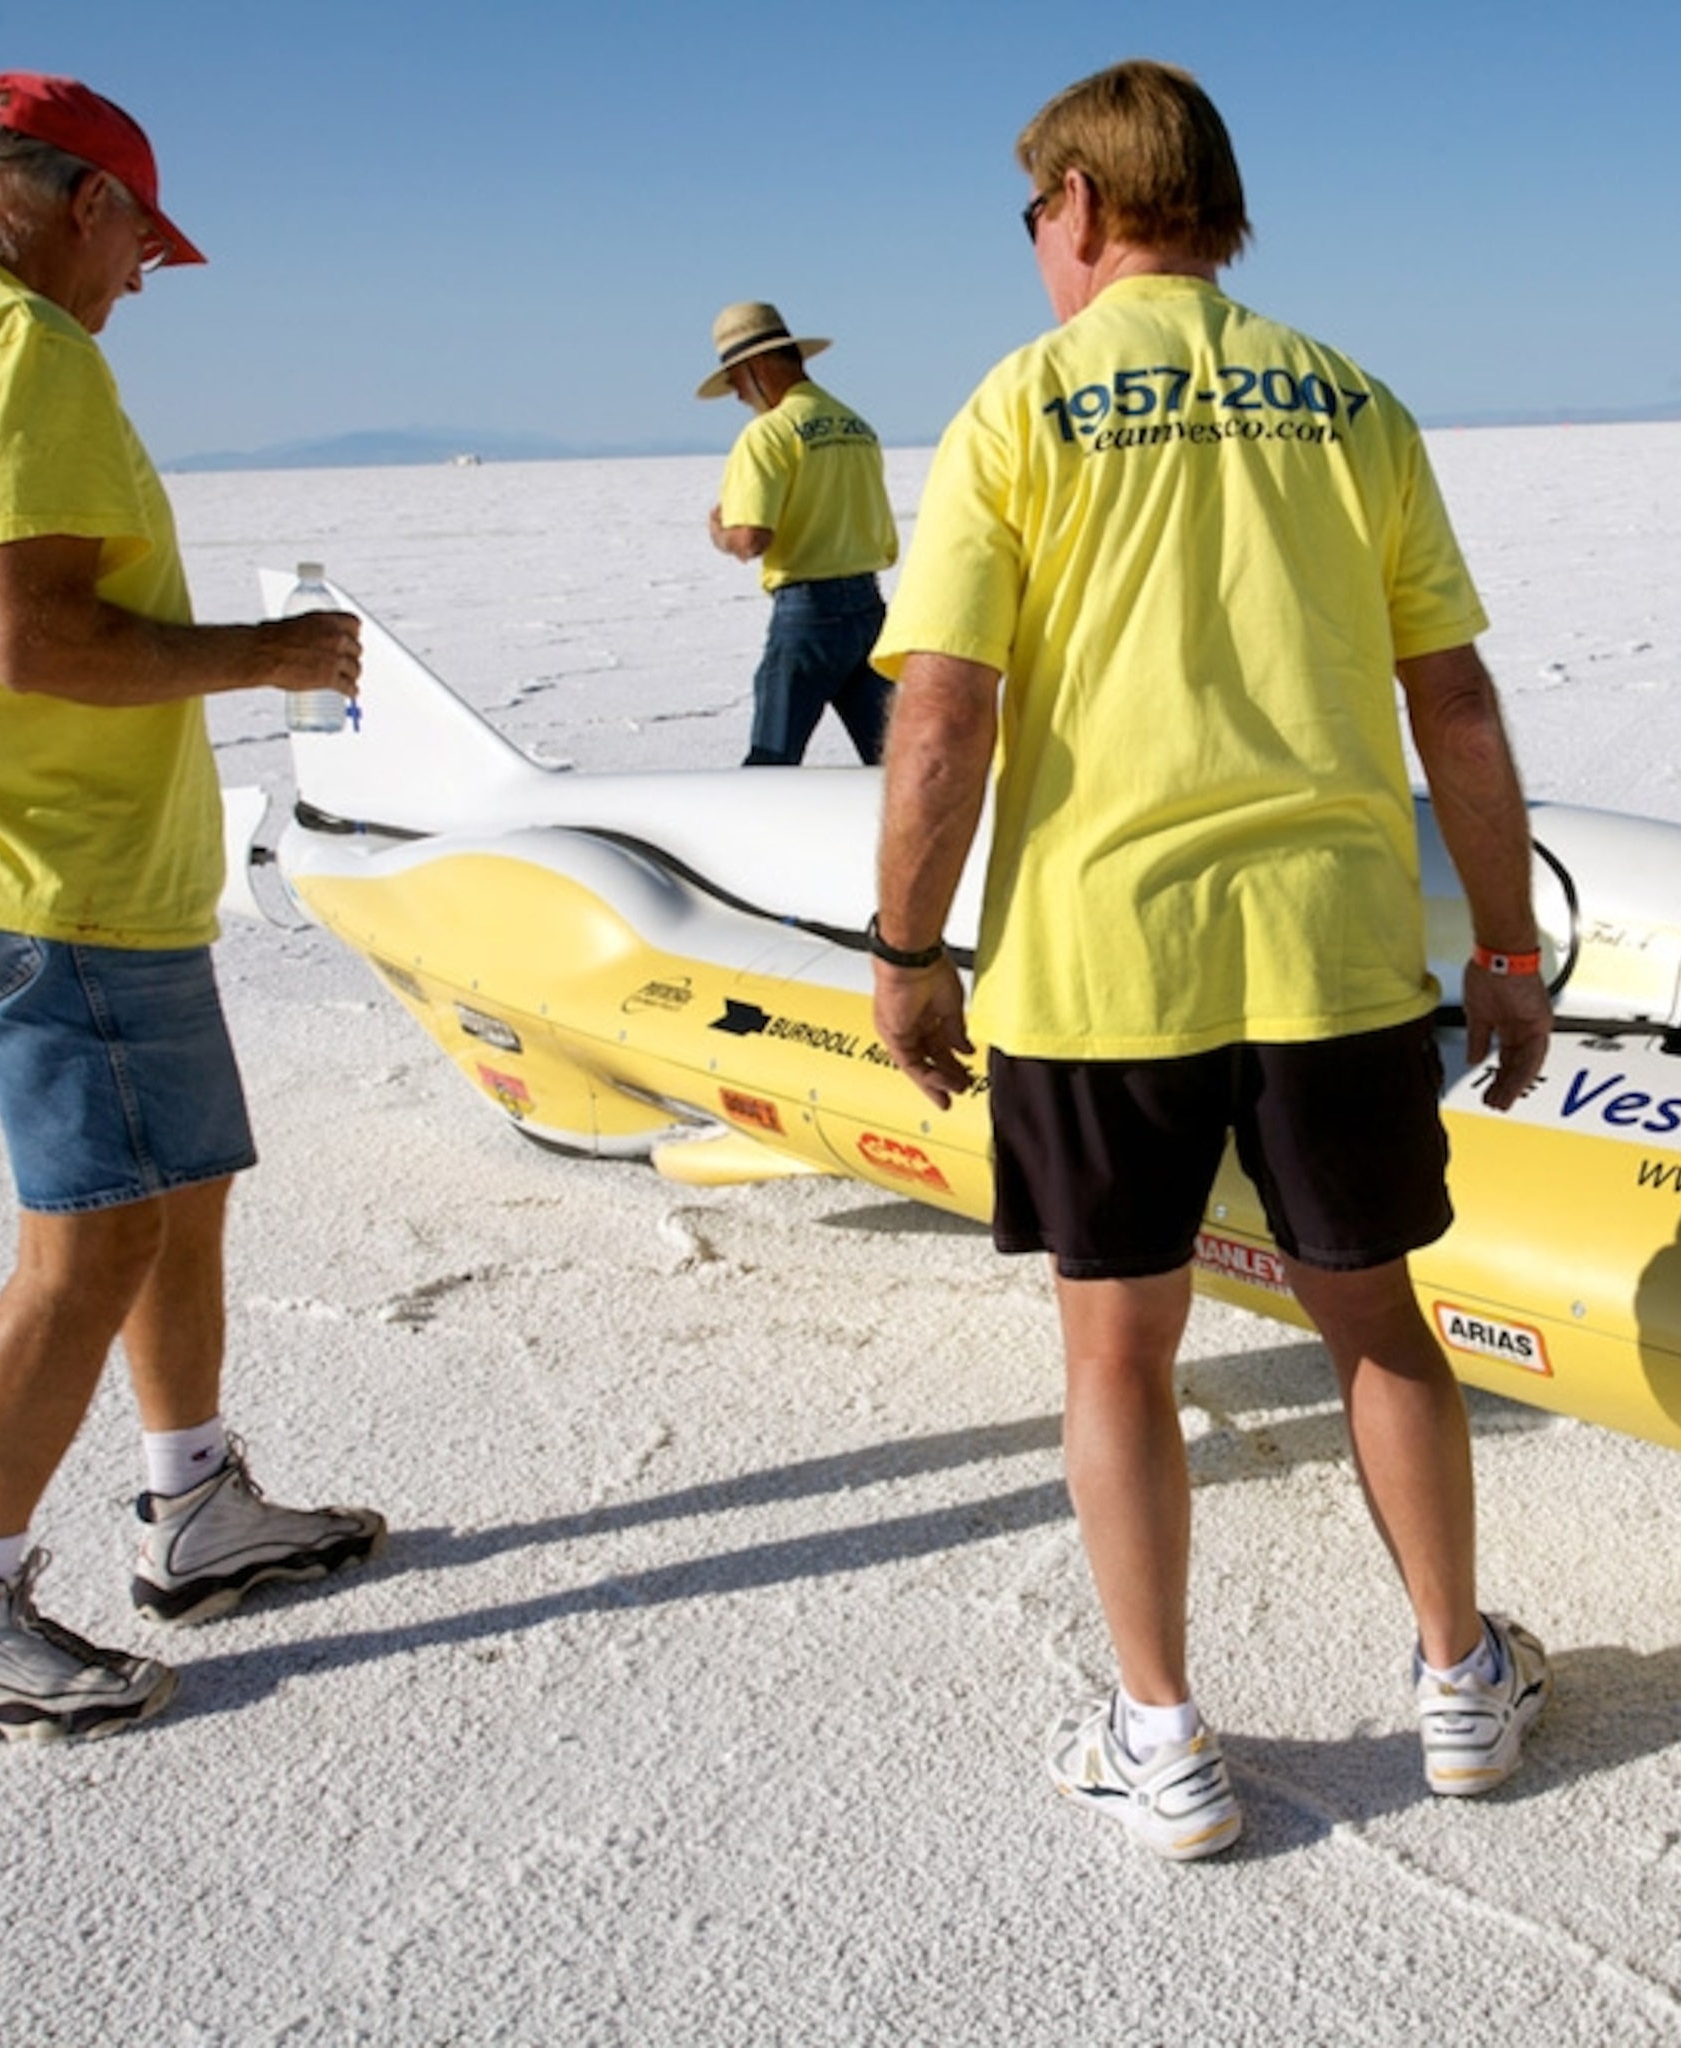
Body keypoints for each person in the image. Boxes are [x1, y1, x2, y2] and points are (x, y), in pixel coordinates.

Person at [867, 59, 1554, 1860]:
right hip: (1330, 952)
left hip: (1102, 965)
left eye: (1035, 218)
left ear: (1082, 208)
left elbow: (942, 713)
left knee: (1118, 1348)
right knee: (1374, 1316)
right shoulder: (1352, 404)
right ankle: (1461, 1679)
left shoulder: (1019, 407)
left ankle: (1164, 1740)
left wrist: (906, 949)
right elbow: (1456, 701)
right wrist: (1503, 942)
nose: (1035, 249)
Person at [0, 72, 387, 1742]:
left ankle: (194, 1502)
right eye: (143, 240)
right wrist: (274, 657)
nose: (141, 279)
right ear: (81, 202)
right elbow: (34, 639)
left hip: (55, 852)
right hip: (42, 863)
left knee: (178, 1185)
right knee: (93, 1237)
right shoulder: (15, 345)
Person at [699, 300, 899, 764]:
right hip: (869, 612)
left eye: (734, 381)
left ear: (755, 367)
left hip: (808, 617)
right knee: (892, 766)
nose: (736, 396)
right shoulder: (857, 426)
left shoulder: (767, 434)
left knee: (770, 765)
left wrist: (719, 533)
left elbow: (751, 539)